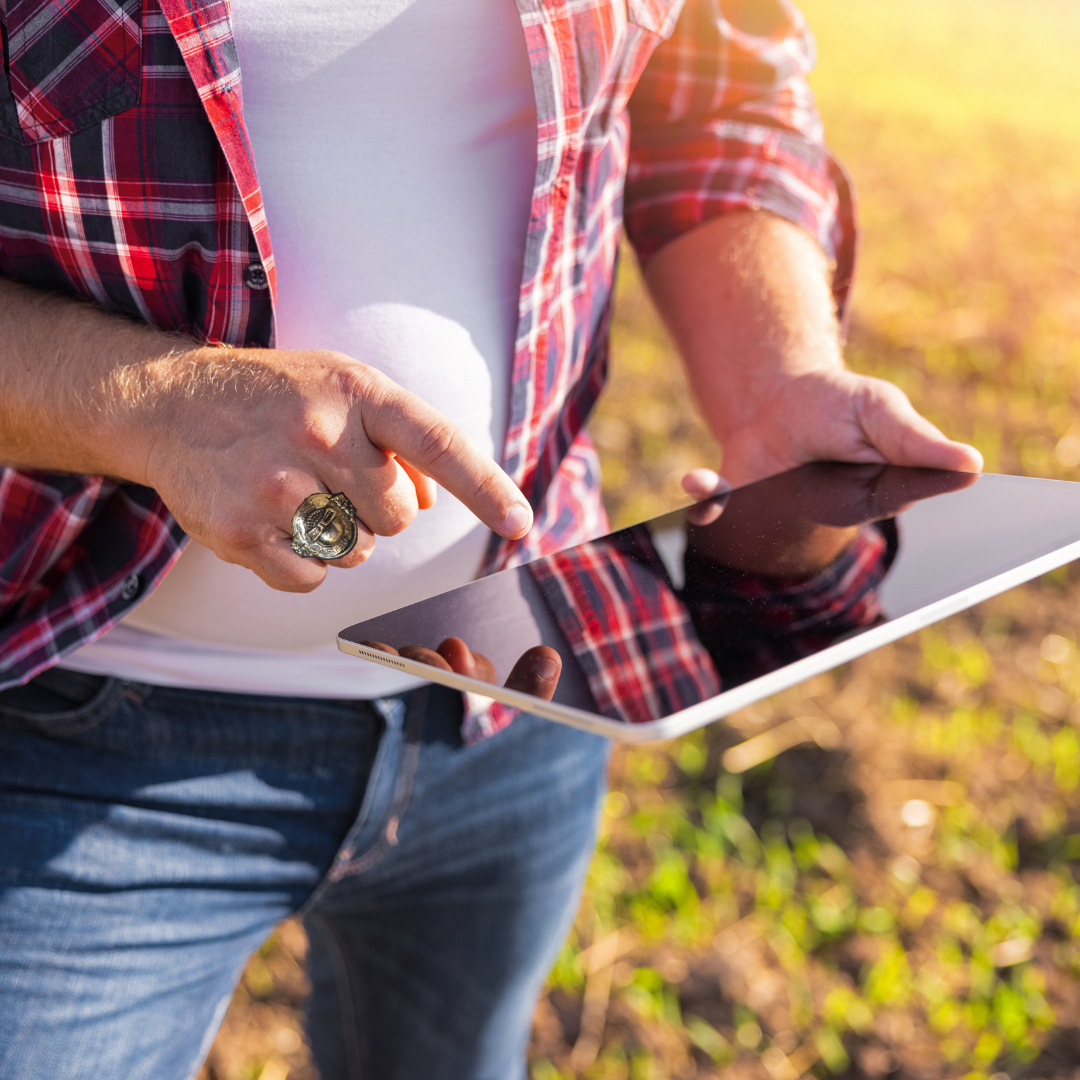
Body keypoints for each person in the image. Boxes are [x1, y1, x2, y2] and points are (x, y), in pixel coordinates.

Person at [0, 0, 982, 1077]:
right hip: (62, 734)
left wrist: (774, 373)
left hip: (517, 691)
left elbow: (720, 94)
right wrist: (152, 404)